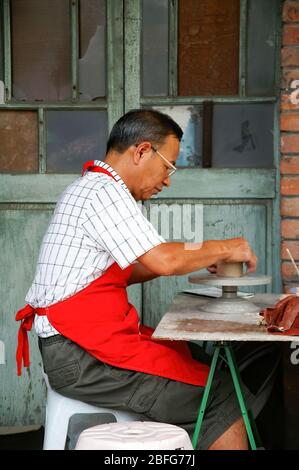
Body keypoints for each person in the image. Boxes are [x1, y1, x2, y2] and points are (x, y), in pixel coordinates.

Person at [16, 109, 258, 450]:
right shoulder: (104, 193)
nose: (168, 179)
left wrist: (205, 256)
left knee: (196, 359)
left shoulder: (93, 187)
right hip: (81, 357)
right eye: (168, 166)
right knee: (219, 394)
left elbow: (134, 269)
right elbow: (162, 260)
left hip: (78, 349)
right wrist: (226, 247)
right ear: (142, 151)